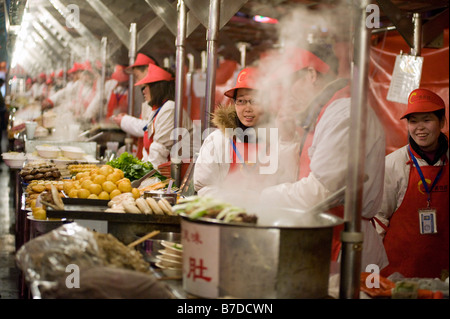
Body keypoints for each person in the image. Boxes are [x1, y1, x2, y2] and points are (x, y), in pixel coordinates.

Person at [259, 46, 388, 270]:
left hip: (345, 239)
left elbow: (321, 192)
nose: (286, 94)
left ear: (311, 74)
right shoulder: (322, 112)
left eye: (290, 85)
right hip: (323, 233)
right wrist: (288, 137)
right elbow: (293, 180)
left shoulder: (344, 111)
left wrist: (260, 198)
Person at [374, 88, 448, 279]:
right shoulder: (392, 165)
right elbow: (378, 222)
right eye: (413, 121)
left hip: (444, 276)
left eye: (427, 119)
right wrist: (371, 276)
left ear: (442, 122)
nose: (419, 127)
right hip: (398, 277)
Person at [194, 67, 298, 200]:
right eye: (241, 101)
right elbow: (204, 186)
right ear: (234, 103)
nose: (247, 108)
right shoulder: (218, 139)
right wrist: (231, 202)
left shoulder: (279, 139)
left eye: (254, 101)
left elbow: (289, 182)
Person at [134, 63, 192, 170]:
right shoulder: (158, 110)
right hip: (162, 171)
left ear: (157, 88)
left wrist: (149, 179)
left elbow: (159, 151)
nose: (143, 91)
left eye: (146, 86)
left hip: (176, 174)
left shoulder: (170, 108)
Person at [112, 53, 157, 158]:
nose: (136, 82)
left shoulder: (163, 102)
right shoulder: (149, 97)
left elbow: (149, 127)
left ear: (147, 70)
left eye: (137, 76)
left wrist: (125, 121)